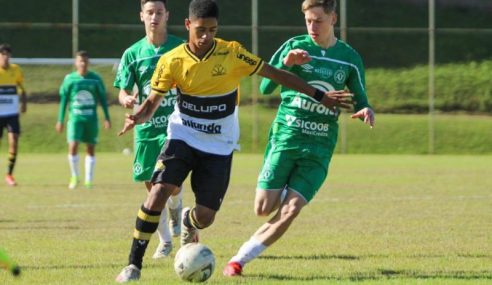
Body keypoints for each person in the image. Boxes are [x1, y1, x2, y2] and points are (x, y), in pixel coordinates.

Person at [115, 0, 353, 282]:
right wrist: (137, 116)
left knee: (206, 216)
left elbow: (276, 75)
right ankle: (133, 266)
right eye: (201, 30)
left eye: (212, 30)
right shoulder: (172, 60)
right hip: (182, 136)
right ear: (188, 25)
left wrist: (319, 95)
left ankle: (189, 221)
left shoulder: (233, 54)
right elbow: (151, 103)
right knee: (158, 192)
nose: (206, 37)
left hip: (218, 146)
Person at [223, 0, 375, 276]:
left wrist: (366, 109)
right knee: (262, 208)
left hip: (320, 145)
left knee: (291, 209)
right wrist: (287, 63)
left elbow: (361, 98)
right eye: (308, 21)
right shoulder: (295, 46)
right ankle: (283, 189)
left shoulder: (348, 57)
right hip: (287, 137)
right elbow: (266, 86)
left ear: (333, 19)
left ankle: (239, 260)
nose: (313, 27)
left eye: (319, 20)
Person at [113, 0, 184, 261]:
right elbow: (122, 89)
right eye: (150, 12)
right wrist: (126, 100)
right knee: (151, 187)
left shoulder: (179, 47)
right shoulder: (132, 53)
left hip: (175, 126)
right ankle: (165, 241)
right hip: (145, 128)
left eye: (159, 12)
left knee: (170, 185)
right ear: (141, 16)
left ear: (167, 15)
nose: (154, 17)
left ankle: (177, 204)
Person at [55, 51, 111, 189]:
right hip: (75, 119)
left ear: (88, 63)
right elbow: (64, 101)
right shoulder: (69, 79)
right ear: (75, 63)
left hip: (91, 119)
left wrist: (107, 117)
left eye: (85, 61)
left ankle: (88, 180)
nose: (83, 63)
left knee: (90, 148)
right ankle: (74, 176)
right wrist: (60, 120)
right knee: (73, 145)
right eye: (80, 61)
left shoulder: (95, 79)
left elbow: (103, 100)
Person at [0, 44, 27, 186]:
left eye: (7, 54)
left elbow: (22, 88)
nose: (5, 57)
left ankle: (9, 174)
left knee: (14, 141)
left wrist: (24, 103)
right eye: (3, 54)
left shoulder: (16, 70)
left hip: (11, 113)